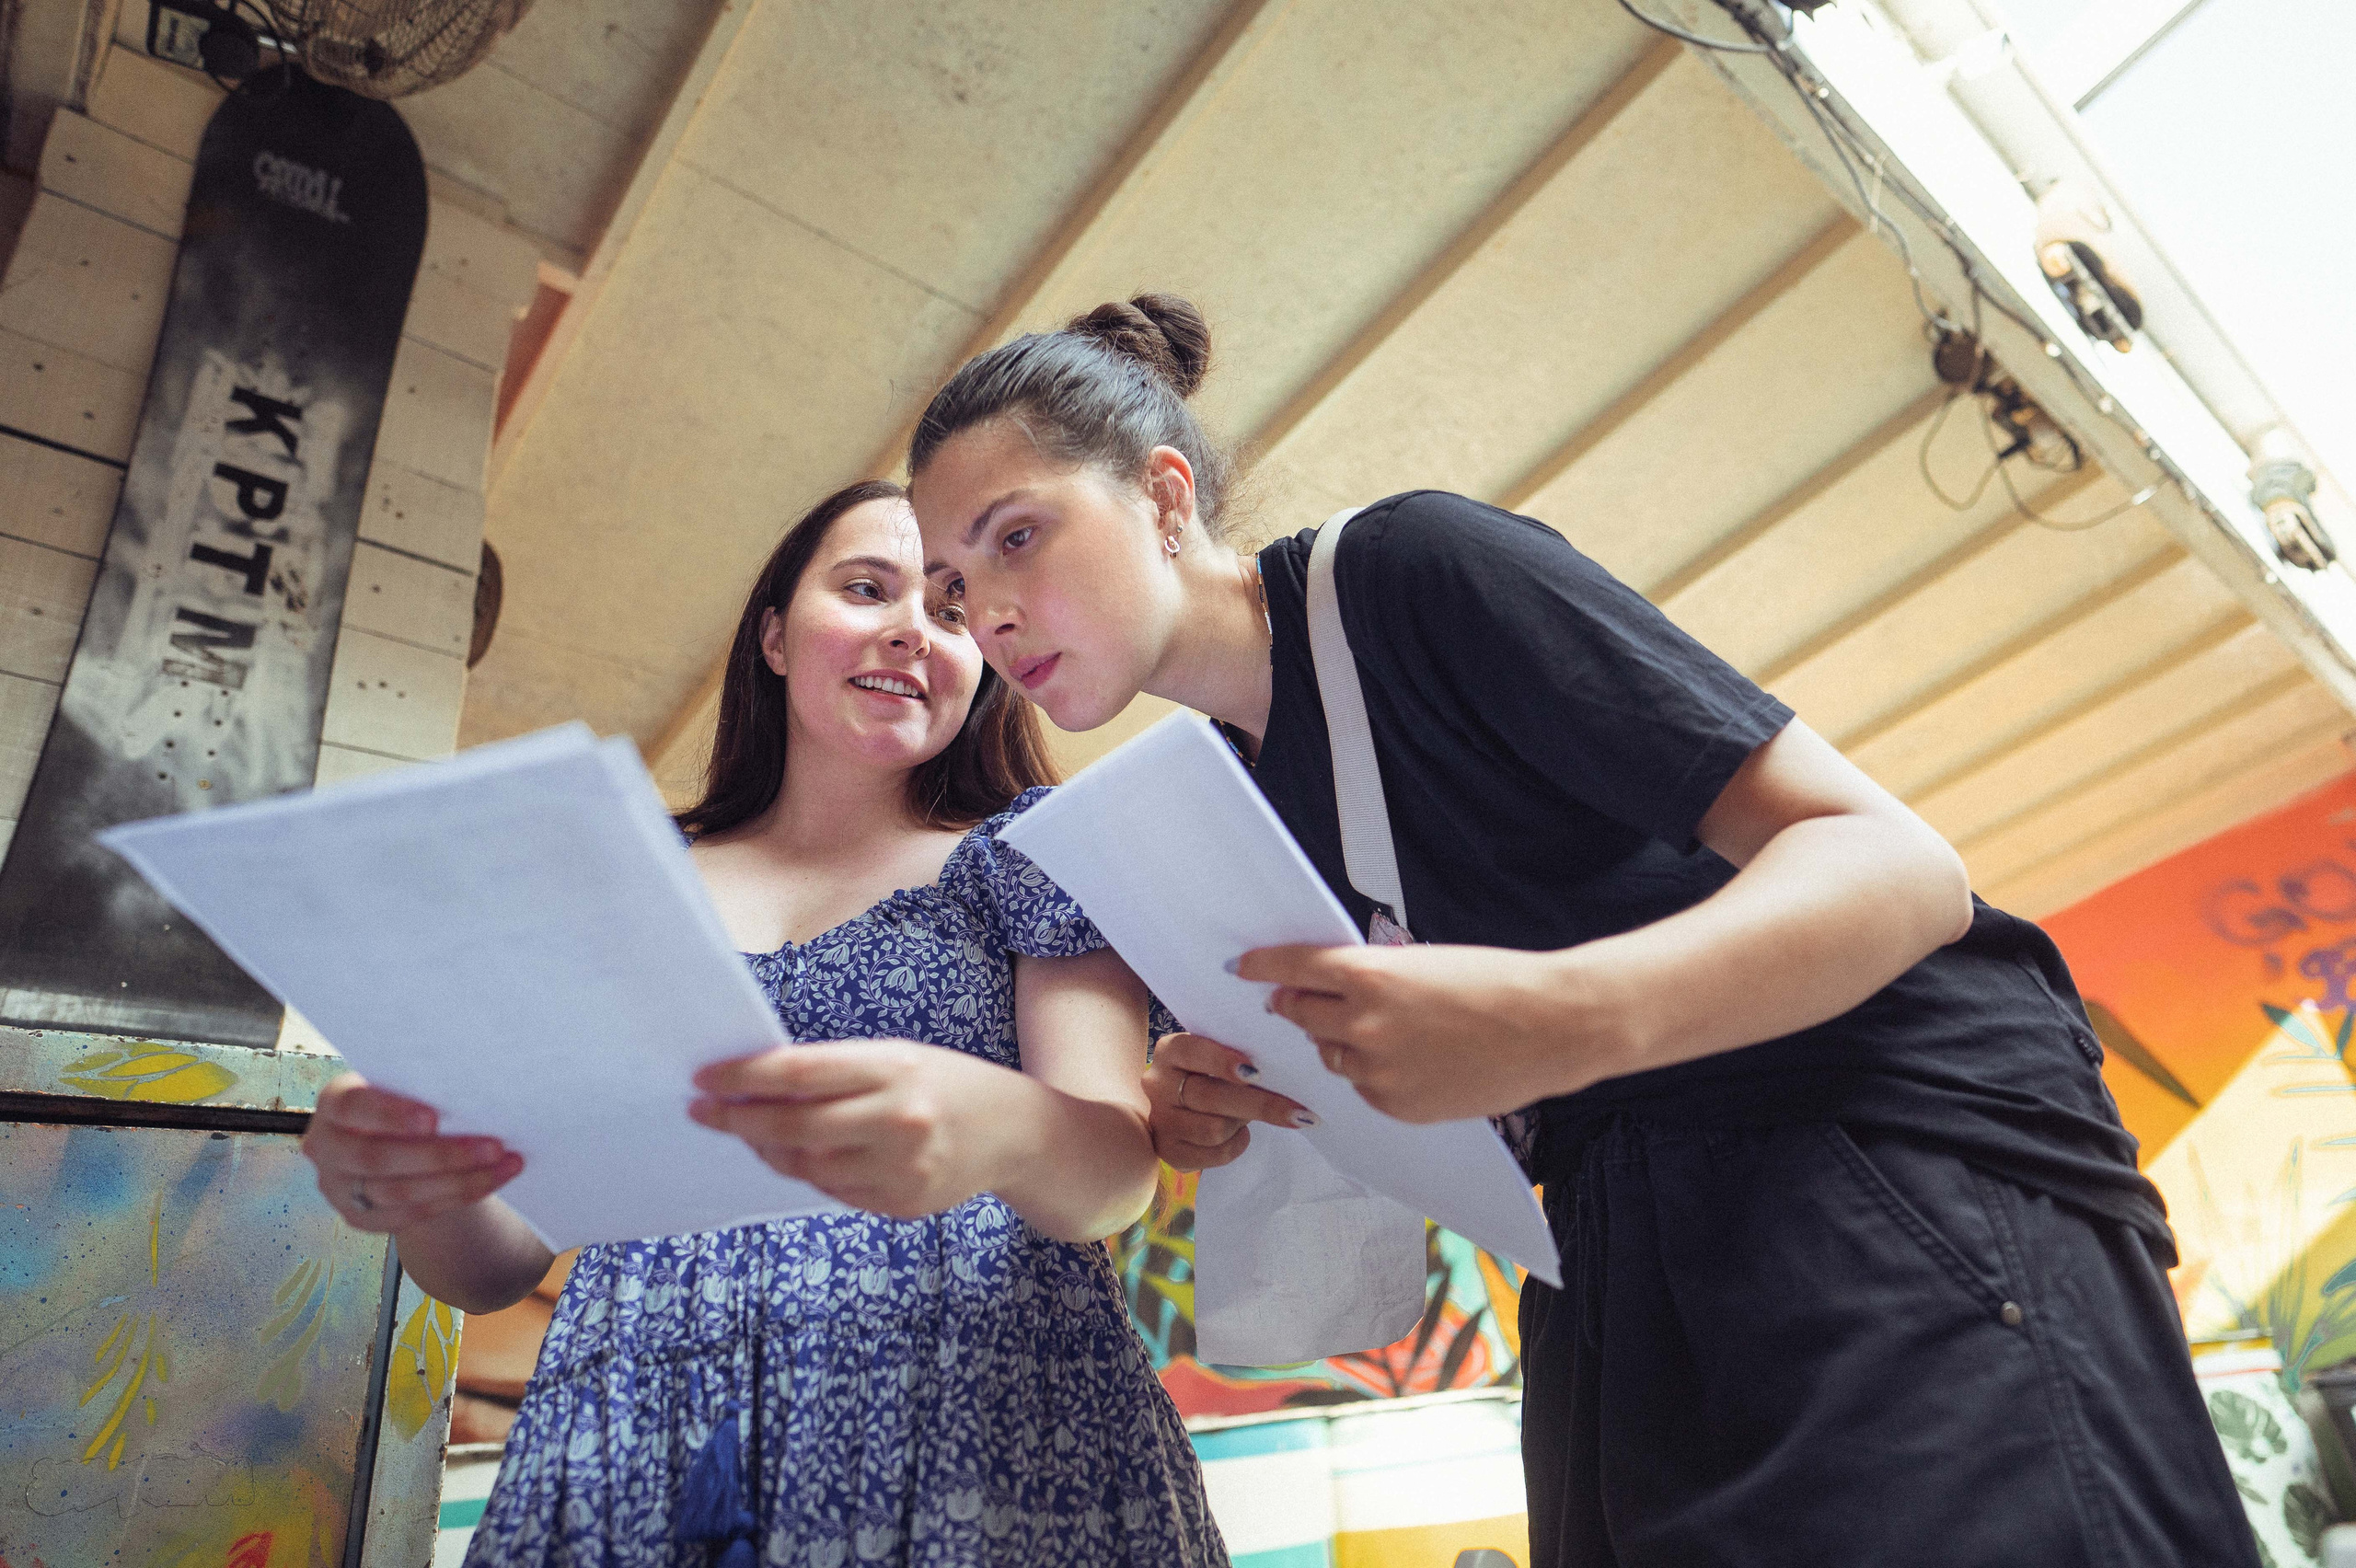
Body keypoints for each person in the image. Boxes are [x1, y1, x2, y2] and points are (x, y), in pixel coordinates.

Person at [903, 294, 2259, 1568]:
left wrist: (1558, 1018)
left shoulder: (1409, 572)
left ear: (1162, 493)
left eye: (1015, 536)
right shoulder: (1225, 805)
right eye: (955, 588)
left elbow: (1901, 868)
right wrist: (1255, 1098)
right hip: (1608, 1244)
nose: (990, 612)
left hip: (1876, 1152)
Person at [299, 480, 1227, 1567]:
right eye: (865, 588)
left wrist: (991, 1122)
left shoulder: (1032, 858)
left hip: (988, 1426)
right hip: (647, 1442)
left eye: (946, 608)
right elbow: (494, 1263)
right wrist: (426, 1185)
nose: (906, 628)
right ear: (778, 637)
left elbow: (1114, 1177)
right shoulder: (619, 884)